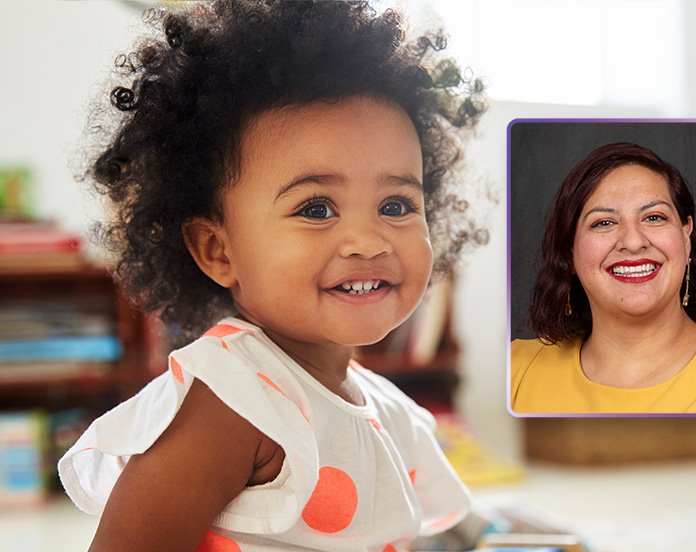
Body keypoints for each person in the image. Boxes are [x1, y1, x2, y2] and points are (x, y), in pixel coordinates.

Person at [57, 1, 486, 550]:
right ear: (218, 250)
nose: (368, 240)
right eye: (316, 209)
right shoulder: (231, 403)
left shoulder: (385, 408)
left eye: (397, 205)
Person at [511, 142, 696, 414]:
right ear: (569, 251)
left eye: (654, 217)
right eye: (604, 222)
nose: (633, 242)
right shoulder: (513, 373)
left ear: (686, 237)